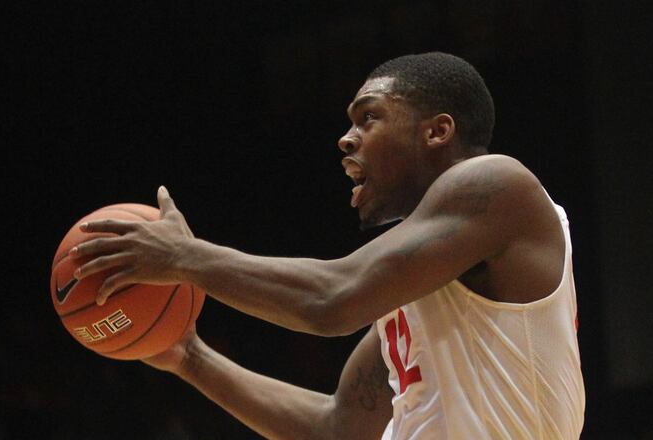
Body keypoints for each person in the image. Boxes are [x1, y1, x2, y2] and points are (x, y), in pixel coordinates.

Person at [71, 52, 585, 439]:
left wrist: (184, 257)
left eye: (369, 117)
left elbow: (332, 298)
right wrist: (189, 356)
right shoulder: (416, 295)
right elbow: (338, 428)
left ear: (438, 131)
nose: (346, 138)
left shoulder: (497, 185)